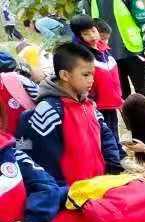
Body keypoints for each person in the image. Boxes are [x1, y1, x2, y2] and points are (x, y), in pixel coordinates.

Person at [16, 43, 123, 187]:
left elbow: (106, 135)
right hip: (72, 195)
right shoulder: (48, 111)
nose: (91, 79)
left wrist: (112, 166)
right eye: (85, 74)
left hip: (98, 185)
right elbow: (44, 160)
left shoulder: (89, 104)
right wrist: (61, 194)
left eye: (92, 74)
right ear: (65, 75)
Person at [78, 0, 145, 99]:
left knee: (143, 94)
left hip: (133, 51)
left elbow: (143, 20)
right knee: (121, 96)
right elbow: (85, 26)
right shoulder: (88, 2)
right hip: (108, 56)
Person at [68, 15, 123, 141]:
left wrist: (118, 97)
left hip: (111, 100)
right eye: (86, 34)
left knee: (113, 127)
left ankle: (118, 151)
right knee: (104, 131)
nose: (92, 36)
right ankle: (113, 156)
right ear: (79, 37)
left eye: (93, 31)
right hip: (97, 104)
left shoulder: (104, 49)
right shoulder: (82, 57)